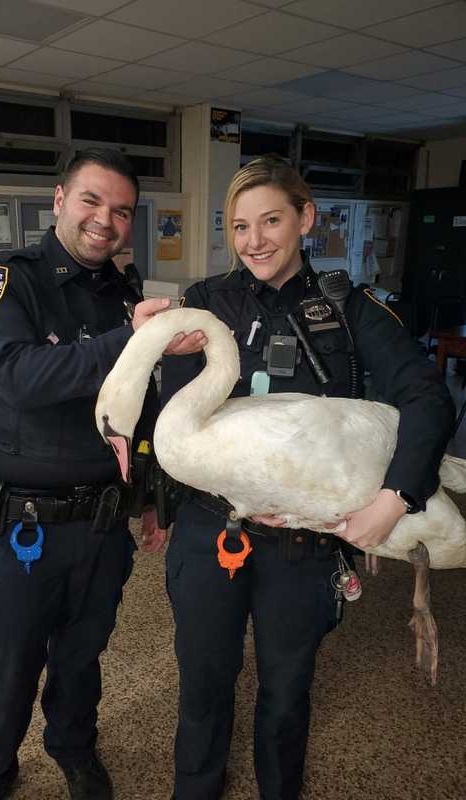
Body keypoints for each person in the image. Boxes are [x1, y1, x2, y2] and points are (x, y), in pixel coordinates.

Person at [160, 154, 455, 800]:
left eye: (271, 220)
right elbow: (175, 423)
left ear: (306, 219)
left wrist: (393, 499)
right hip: (212, 532)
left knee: (286, 694)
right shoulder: (207, 305)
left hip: (302, 549)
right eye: (240, 226)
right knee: (203, 684)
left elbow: (428, 399)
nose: (255, 241)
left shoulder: (353, 312)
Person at [0, 148, 205, 800]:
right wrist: (131, 337)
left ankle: (72, 746)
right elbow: (16, 377)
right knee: (5, 664)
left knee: (81, 653)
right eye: (93, 200)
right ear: (60, 199)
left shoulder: (122, 293)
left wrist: (156, 497)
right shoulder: (2, 280)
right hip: (17, 528)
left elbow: (142, 408)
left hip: (100, 525)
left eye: (122, 210)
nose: (106, 220)